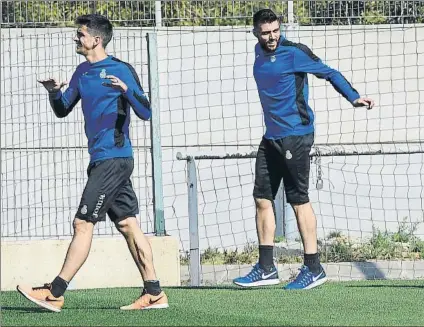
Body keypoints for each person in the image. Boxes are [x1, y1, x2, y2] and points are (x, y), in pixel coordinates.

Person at [17, 14, 168, 311]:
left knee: (83, 222)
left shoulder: (122, 70)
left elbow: (147, 112)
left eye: (81, 35)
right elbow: (63, 109)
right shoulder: (82, 72)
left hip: (115, 158)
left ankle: (55, 292)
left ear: (96, 40)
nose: (76, 39)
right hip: (102, 159)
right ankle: (154, 293)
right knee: (127, 224)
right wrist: (53, 92)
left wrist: (127, 91)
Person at [233, 9, 374, 290]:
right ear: (255, 33)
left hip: (295, 136)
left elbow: (329, 72)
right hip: (271, 138)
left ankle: (313, 267)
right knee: (262, 198)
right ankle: (266, 268)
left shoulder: (295, 52)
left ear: (279, 29)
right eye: (265, 32)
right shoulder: (257, 52)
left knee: (298, 200)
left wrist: (354, 98)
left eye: (275, 31)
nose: (271, 37)